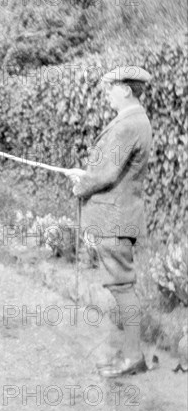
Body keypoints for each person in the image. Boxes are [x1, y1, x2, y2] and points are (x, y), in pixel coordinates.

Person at [66, 66, 153, 378]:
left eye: (110, 88)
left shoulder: (128, 125)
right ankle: (133, 354)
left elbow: (107, 174)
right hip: (120, 215)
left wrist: (82, 183)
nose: (106, 94)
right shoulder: (134, 120)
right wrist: (86, 175)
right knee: (122, 285)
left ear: (126, 90)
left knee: (122, 287)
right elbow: (109, 169)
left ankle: (133, 357)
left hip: (115, 219)